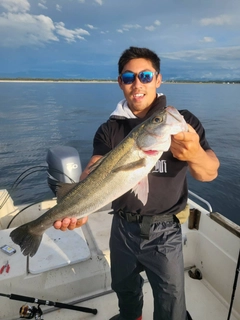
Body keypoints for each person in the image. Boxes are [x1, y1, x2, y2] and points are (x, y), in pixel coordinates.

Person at [54, 46, 220, 320]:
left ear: (158, 79)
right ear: (121, 83)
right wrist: (78, 205)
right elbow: (93, 170)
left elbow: (208, 173)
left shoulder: (184, 122)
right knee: (125, 291)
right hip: (121, 229)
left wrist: (194, 154)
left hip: (165, 232)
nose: (137, 84)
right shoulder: (110, 129)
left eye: (145, 75)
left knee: (170, 303)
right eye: (129, 77)